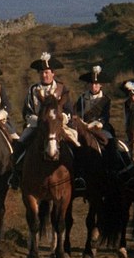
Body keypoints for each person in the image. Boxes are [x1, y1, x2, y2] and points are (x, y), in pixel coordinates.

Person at [8, 52, 81, 190]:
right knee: (20, 144)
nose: (44, 75)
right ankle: (16, 175)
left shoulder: (62, 89)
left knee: (76, 145)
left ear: (53, 73)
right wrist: (38, 120)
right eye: (41, 72)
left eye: (47, 72)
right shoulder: (33, 90)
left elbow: (69, 110)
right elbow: (27, 111)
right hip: (37, 125)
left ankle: (78, 177)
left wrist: (61, 118)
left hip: (58, 126)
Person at [74, 66, 130, 183]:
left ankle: (113, 169)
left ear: (100, 85)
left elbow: (105, 116)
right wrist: (81, 122)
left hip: (100, 127)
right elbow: (77, 113)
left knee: (111, 142)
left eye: (96, 84)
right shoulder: (82, 99)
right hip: (84, 128)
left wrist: (98, 123)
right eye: (91, 84)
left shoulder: (105, 99)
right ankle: (77, 173)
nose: (93, 86)